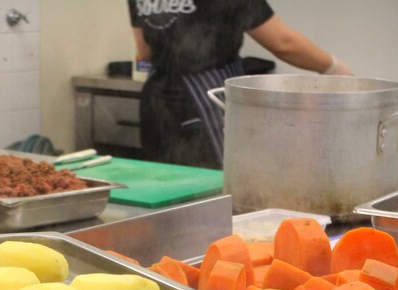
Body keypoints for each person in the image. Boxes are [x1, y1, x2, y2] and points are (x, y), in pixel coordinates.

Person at [128, 0, 352, 169]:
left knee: (168, 193)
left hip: (157, 104)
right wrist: (334, 68)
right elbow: (283, 43)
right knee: (217, 199)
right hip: (210, 101)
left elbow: (145, 51)